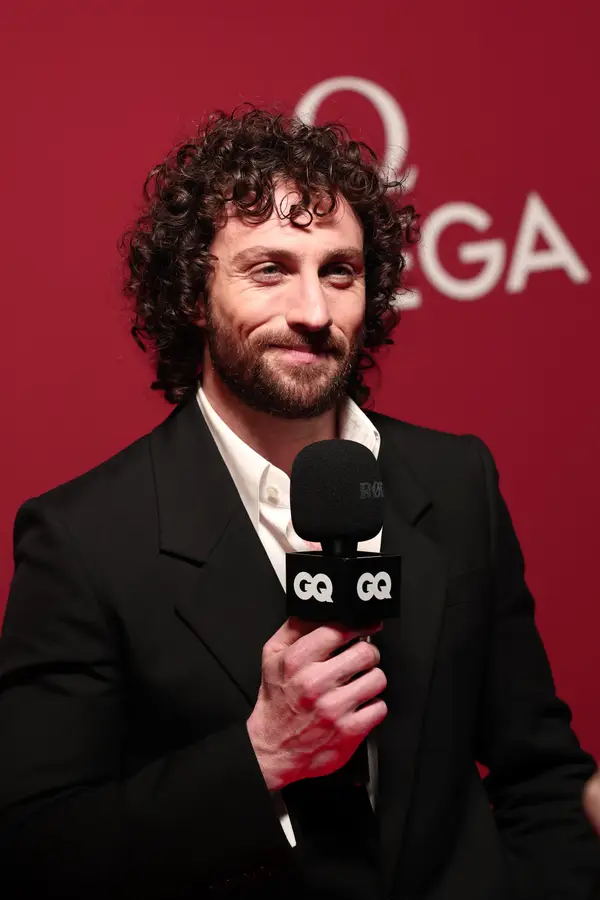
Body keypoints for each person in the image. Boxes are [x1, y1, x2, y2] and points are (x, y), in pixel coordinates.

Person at [0, 107, 598, 900]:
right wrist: (261, 756)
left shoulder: (456, 480)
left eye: (339, 272)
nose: (314, 313)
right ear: (192, 294)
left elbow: (542, 775)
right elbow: (37, 848)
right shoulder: (82, 539)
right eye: (270, 270)